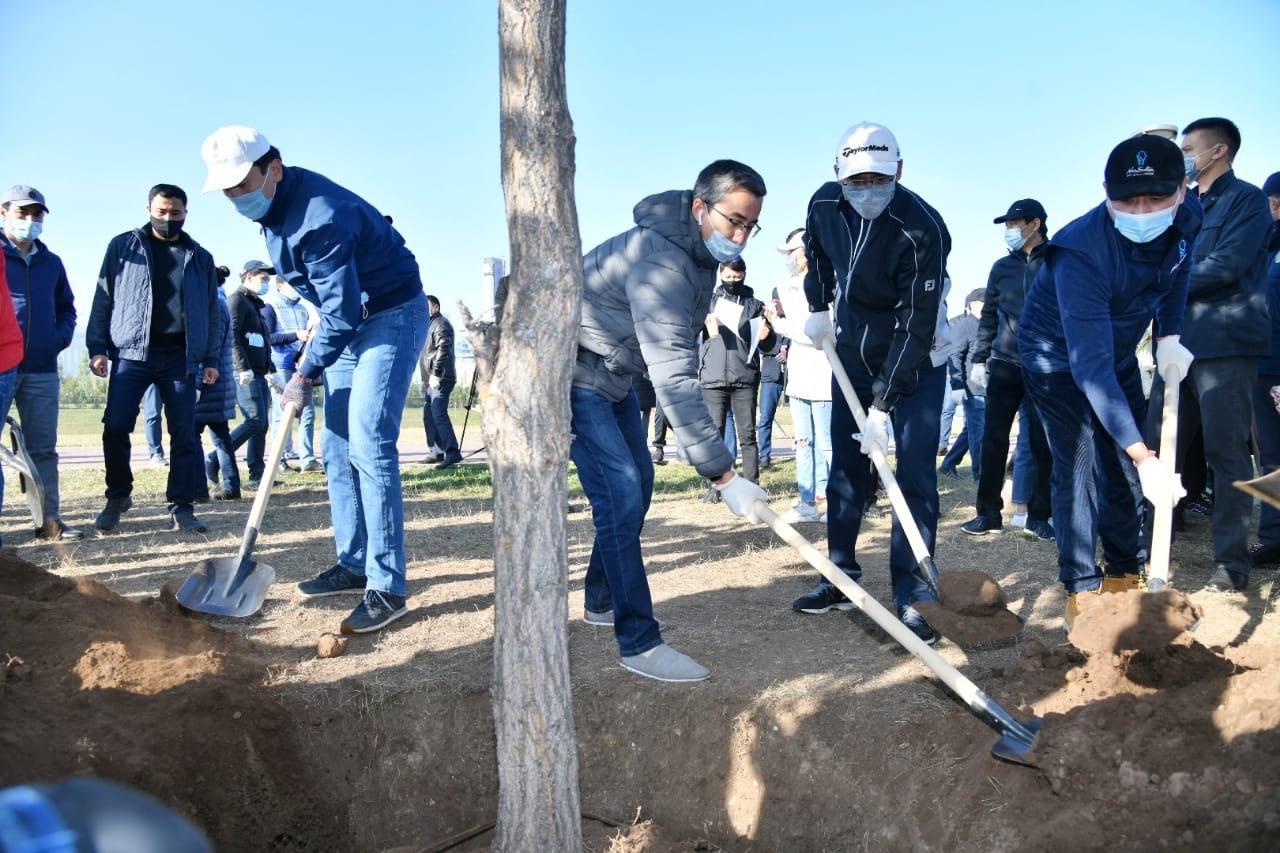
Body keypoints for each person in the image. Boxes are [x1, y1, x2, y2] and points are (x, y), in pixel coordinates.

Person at [203, 125, 428, 634]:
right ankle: (353, 562)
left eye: (243, 184)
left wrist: (303, 372)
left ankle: (387, 587)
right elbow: (332, 307)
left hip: (391, 316)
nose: (237, 196)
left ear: (272, 169)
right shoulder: (277, 208)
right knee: (336, 445)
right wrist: (312, 349)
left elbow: (343, 311)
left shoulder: (319, 218)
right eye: (228, 190)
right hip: (346, 321)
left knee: (370, 443)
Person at [572, 159, 770, 682]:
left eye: (751, 225)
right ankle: (638, 642)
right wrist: (723, 475)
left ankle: (599, 598)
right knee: (621, 491)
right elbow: (677, 377)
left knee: (639, 480)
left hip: (613, 374)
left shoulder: (697, 255)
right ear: (701, 208)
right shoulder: (663, 261)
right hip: (577, 373)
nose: (742, 236)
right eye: (734, 221)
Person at [1019, 134, 1199, 626]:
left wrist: (1169, 334)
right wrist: (1145, 454)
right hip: (1055, 356)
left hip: (1116, 346)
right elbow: (1089, 369)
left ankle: (1125, 570)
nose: (1142, 210)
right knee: (1078, 466)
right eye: (1127, 199)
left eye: (1157, 197)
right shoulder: (1080, 251)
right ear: (1105, 191)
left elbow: (1177, 274)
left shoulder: (1188, 218)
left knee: (1120, 465)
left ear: (1183, 190)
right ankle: (1082, 585)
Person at [795, 122, 951, 645]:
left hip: (917, 364)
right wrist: (818, 306)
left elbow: (916, 324)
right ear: (837, 175)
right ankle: (839, 575)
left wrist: (884, 405)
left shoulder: (922, 228)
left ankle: (914, 595)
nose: (867, 191)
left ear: (899, 172)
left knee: (912, 476)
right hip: (852, 361)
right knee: (845, 470)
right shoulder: (823, 206)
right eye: (855, 180)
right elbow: (816, 256)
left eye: (878, 180)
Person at [1144, 118, 1273, 593]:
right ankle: (1149, 546)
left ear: (1218, 151)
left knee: (1225, 453)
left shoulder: (1247, 201)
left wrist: (1162, 282)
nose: (1181, 155)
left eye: (1187, 148)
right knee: (1156, 448)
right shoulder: (1181, 204)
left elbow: (1227, 265)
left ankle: (1232, 564)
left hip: (1225, 345)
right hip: (1175, 345)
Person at [86, 183, 219, 534]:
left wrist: (211, 359)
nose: (168, 218)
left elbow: (211, 312)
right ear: (148, 209)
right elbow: (103, 299)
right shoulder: (123, 247)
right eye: (162, 211)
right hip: (132, 355)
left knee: (184, 434)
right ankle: (118, 496)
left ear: (185, 213)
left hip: (180, 358)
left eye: (175, 213)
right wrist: (97, 347)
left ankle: (181, 505)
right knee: (115, 426)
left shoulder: (200, 257)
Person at [960, 199, 1055, 541]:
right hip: (1004, 363)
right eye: (1007, 225)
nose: (1010, 231)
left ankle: (1041, 516)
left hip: (1046, 365)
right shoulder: (1001, 267)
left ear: (1036, 224)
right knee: (993, 440)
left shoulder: (1058, 261)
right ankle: (987, 514)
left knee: (1043, 443)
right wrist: (979, 359)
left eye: (1015, 224)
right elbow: (989, 317)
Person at [0, 185, 82, 540]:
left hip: (40, 368)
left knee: (43, 449)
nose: (30, 220)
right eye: (23, 213)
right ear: (4, 213)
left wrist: (57, 339)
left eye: (37, 214)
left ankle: (49, 521)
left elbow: (67, 308)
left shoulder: (52, 263)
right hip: (2, 363)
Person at [770, 228, 832, 524]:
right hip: (799, 375)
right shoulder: (786, 286)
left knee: (827, 443)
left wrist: (780, 326)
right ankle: (807, 500)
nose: (792, 258)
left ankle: (832, 498)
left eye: (795, 251)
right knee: (803, 441)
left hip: (823, 374)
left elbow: (819, 334)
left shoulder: (825, 283)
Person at [700, 257, 776, 488]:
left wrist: (767, 335)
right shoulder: (708, 302)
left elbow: (767, 345)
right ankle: (717, 486)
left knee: (747, 435)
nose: (733, 281)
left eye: (738, 276)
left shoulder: (755, 306)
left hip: (744, 376)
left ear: (745, 275)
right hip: (713, 378)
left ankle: (752, 482)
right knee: (715, 435)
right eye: (728, 277)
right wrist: (705, 326)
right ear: (720, 275)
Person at [211, 260, 277, 490]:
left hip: (259, 372)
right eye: (263, 279)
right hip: (244, 373)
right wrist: (241, 367)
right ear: (248, 276)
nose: (266, 283)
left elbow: (264, 341)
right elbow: (233, 335)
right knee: (255, 420)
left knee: (262, 424)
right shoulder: (236, 300)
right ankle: (213, 459)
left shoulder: (256, 304)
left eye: (268, 280)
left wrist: (271, 369)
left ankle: (257, 474)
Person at [262, 275, 320, 472]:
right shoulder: (270, 306)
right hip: (280, 366)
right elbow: (268, 337)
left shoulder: (303, 309)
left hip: (300, 366)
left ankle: (308, 459)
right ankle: (278, 461)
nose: (296, 288)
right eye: (291, 284)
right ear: (279, 286)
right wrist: (295, 334)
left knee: (308, 412)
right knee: (281, 414)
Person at [1251, 171, 1280, 567]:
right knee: (1271, 456)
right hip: (1261, 365)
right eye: (1270, 202)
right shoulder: (1265, 246)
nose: (1273, 208)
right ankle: (1274, 537)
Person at [196, 276, 240, 500]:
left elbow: (206, 347)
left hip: (206, 384)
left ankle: (197, 487)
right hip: (219, 386)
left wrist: (195, 383)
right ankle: (231, 484)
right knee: (222, 438)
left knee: (192, 438)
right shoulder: (221, 304)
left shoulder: (212, 308)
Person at [939, 289, 986, 482]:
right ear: (974, 303)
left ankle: (949, 463)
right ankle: (980, 474)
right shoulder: (964, 326)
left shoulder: (987, 325)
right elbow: (954, 355)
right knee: (979, 432)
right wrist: (957, 384)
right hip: (972, 387)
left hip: (988, 386)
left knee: (972, 430)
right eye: (986, 301)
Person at [420, 294, 461, 469]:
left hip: (441, 377)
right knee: (428, 416)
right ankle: (437, 451)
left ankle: (452, 453)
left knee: (438, 414)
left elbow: (443, 347)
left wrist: (436, 373)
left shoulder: (441, 324)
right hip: (429, 380)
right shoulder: (428, 325)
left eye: (426, 305)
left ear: (435, 307)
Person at [143, 386, 167, 466]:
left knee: (177, 414)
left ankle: (181, 452)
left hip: (172, 375)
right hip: (151, 376)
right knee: (153, 412)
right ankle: (156, 453)